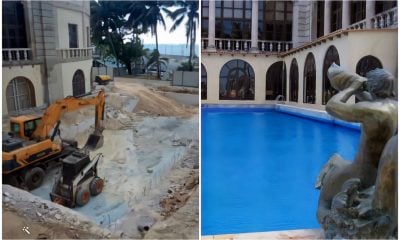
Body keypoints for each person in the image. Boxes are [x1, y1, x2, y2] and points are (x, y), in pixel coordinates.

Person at [317, 64, 398, 224]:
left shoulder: (372, 111)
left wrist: (352, 88)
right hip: (382, 177)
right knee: (336, 159)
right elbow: (371, 100)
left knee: (322, 204)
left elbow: (332, 106)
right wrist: (361, 89)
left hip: (361, 175)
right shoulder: (394, 108)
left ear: (372, 87)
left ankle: (334, 223)